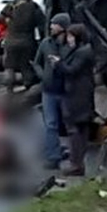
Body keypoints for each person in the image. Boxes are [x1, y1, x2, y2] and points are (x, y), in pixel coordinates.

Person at [55, 23, 96, 177]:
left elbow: (72, 70)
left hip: (77, 94)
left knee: (74, 128)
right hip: (81, 93)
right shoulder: (83, 50)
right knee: (81, 129)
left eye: (71, 36)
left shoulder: (82, 52)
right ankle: (78, 162)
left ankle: (76, 164)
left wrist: (58, 64)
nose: (68, 39)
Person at [33, 13, 71, 170]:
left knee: (71, 124)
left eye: (54, 24)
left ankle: (74, 155)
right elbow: (36, 63)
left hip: (67, 91)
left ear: (62, 27)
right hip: (49, 91)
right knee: (51, 124)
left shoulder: (71, 44)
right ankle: (52, 157)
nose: (50, 27)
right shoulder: (45, 44)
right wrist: (43, 76)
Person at [0, 0, 47, 94]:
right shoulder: (34, 7)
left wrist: (8, 26)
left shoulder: (11, 5)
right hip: (27, 41)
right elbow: (41, 25)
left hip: (10, 40)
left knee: (9, 66)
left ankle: (9, 89)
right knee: (26, 65)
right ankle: (28, 88)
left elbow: (1, 18)